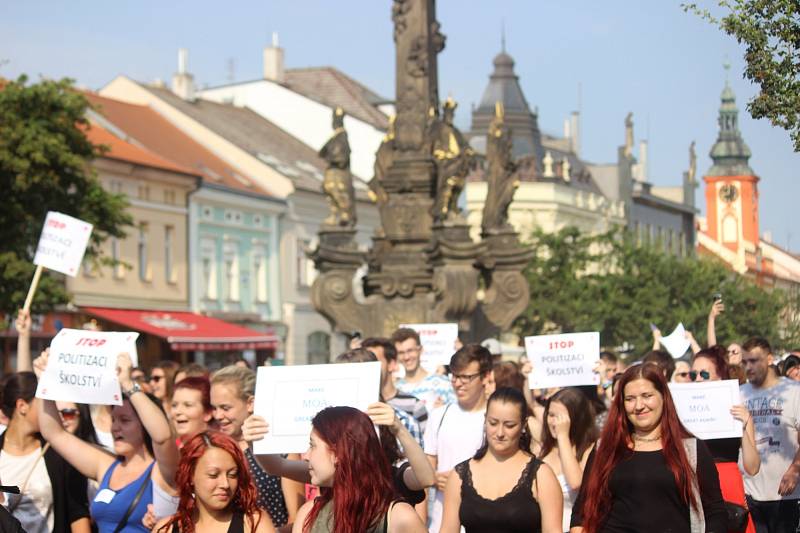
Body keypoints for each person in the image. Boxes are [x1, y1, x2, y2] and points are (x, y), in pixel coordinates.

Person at [570, 362, 727, 533]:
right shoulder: (604, 449)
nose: (639, 406)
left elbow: (715, 512)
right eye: (630, 399)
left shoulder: (691, 450)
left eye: (647, 395)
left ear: (663, 397)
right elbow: (582, 509)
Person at [34, 351, 180, 532]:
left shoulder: (162, 471)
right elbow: (54, 433)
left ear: (145, 425)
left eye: (125, 420)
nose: (115, 428)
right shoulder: (107, 465)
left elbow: (163, 436)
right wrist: (44, 382)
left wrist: (128, 384)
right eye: (113, 420)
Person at [441, 387, 562, 533]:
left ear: (523, 425)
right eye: (493, 423)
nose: (500, 433)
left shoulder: (542, 476)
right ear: (485, 420)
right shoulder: (459, 475)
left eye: (509, 425)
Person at [293, 406, 426, 532]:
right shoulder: (308, 515)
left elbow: (427, 479)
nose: (306, 456)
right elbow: (280, 466)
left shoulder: (399, 517)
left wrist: (399, 430)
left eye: (313, 445)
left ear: (339, 452)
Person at [0, 371, 91, 533]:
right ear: (22, 406)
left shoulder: (58, 451)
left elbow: (77, 513)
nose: (53, 408)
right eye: (46, 401)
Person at [211, 366, 295, 529]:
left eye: (225, 408)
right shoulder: (213, 449)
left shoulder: (281, 450)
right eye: (214, 408)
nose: (218, 416)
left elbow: (296, 517)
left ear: (250, 403)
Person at [691, 345, 759, 533]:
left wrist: (744, 427)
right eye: (693, 374)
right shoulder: (682, 412)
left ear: (720, 377)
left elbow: (752, 468)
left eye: (704, 374)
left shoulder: (738, 411)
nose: (697, 379)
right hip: (694, 485)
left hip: (728, 486)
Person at [424, 344, 492, 533]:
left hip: (483, 521)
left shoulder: (495, 420)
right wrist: (434, 478)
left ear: (485, 377)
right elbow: (427, 466)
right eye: (454, 376)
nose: (458, 383)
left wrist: (462, 483)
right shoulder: (439, 415)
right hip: (441, 521)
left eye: (466, 377)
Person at [153, 431, 274, 533]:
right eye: (213, 475)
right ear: (190, 476)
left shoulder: (253, 523)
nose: (225, 484)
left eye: (232, 475)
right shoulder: (166, 529)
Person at [739, 337, 800, 531]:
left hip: (786, 494)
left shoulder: (793, 391)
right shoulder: (739, 393)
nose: (749, 367)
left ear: (769, 359)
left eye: (754, 360)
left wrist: (795, 469)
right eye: (745, 362)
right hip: (749, 493)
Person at [538, 388, 597, 533]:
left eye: (561, 417)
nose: (554, 422)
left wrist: (563, 437)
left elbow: (576, 483)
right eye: (551, 415)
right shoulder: (541, 450)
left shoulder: (589, 449)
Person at [362, 337, 429, 432]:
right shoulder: (356, 404)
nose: (369, 367)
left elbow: (423, 446)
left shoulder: (415, 405)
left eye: (374, 361)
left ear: (391, 364)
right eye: (364, 362)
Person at [392, 328, 455, 409]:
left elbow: (457, 417)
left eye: (410, 350)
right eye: (401, 353)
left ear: (420, 350)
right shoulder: (395, 389)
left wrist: (444, 412)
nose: (406, 357)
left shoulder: (443, 384)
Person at [170, 377, 213, 446]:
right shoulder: (170, 449)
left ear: (208, 413)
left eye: (188, 405)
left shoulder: (215, 452)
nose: (178, 411)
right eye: (174, 405)